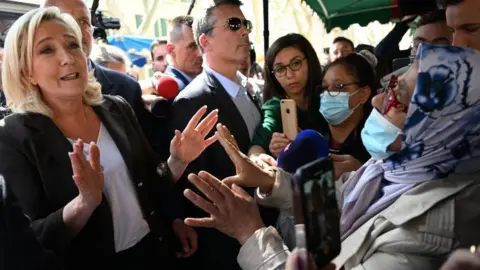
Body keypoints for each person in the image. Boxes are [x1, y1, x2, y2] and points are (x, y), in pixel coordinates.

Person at [183, 43, 480, 270]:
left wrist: (251, 234)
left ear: (442, 127)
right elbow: (343, 198)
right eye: (388, 88)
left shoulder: (423, 233)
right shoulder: (398, 165)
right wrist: (269, 179)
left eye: (398, 98)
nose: (378, 99)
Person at [0, 7, 219, 269]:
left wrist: (178, 160)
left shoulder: (116, 108)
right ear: (26, 72)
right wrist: (84, 204)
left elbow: (151, 183)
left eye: (73, 45)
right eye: (47, 50)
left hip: (155, 252)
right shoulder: (13, 136)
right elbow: (28, 242)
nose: (68, 57)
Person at [169, 1, 277, 269]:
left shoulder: (252, 89)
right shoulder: (192, 101)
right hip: (227, 246)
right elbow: (195, 187)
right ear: (205, 42)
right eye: (233, 24)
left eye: (245, 25)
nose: (244, 32)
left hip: (270, 228)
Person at [43, 0, 164, 156]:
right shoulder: (25, 106)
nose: (76, 30)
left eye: (83, 21)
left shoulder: (126, 88)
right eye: (65, 21)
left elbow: (147, 159)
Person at [248, 34, 328, 158]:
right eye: (280, 69)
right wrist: (261, 158)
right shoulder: (275, 106)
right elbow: (257, 147)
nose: (289, 75)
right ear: (273, 75)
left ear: (310, 61)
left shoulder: (327, 97)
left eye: (296, 63)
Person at [377, 10, 452, 85]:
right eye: (418, 45)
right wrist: (403, 25)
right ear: (412, 50)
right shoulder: (396, 85)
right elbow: (381, 52)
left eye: (440, 46)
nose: (426, 52)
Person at [165, 16, 203, 91]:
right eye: (192, 46)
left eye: (202, 45)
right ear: (171, 50)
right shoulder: (170, 90)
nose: (200, 53)